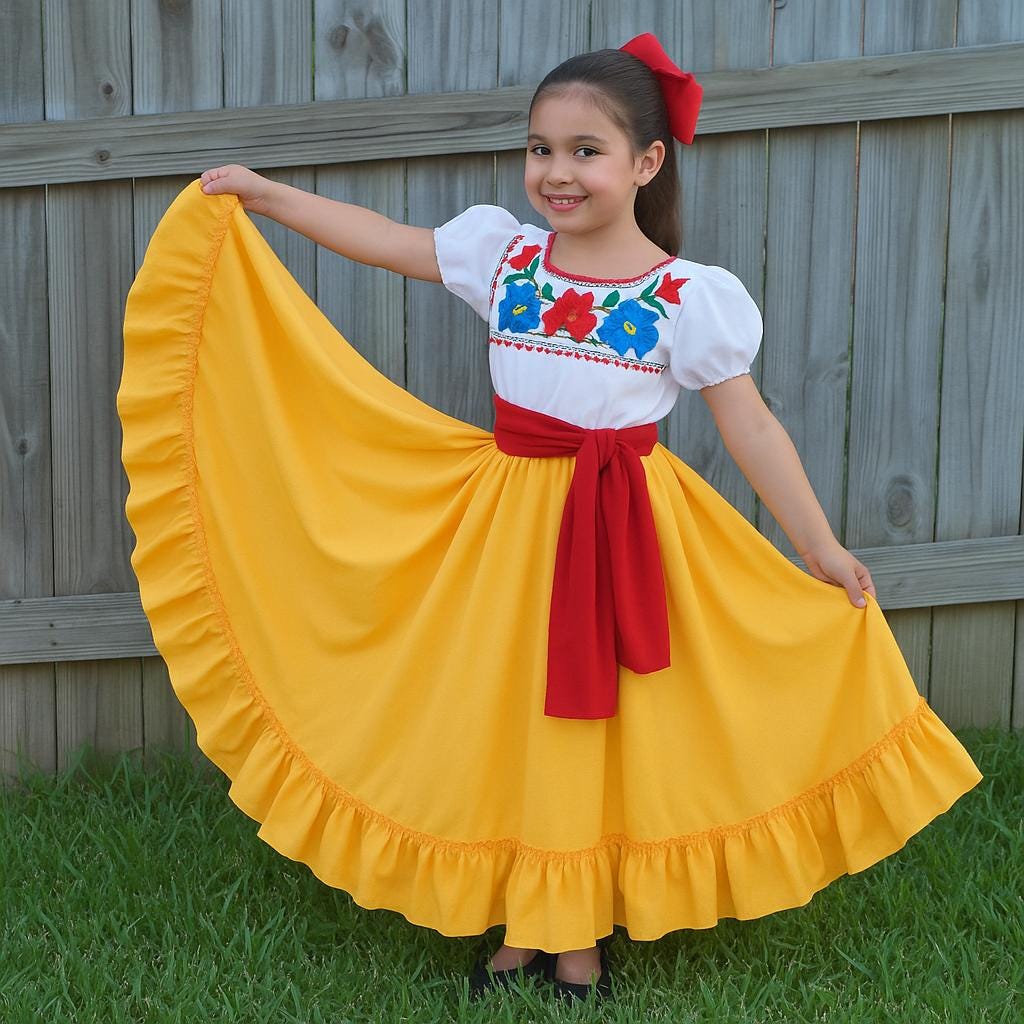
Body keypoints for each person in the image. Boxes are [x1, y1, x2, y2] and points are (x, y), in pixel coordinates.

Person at [119, 32, 983, 1006]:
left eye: (585, 150)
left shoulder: (685, 298)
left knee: (597, 726)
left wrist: (818, 545)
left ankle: (573, 937)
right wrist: (269, 198)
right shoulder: (506, 257)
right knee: (508, 714)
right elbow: (385, 238)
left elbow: (750, 425)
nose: (556, 172)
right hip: (505, 532)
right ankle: (519, 910)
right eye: (540, 148)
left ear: (646, 162)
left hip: (621, 535)